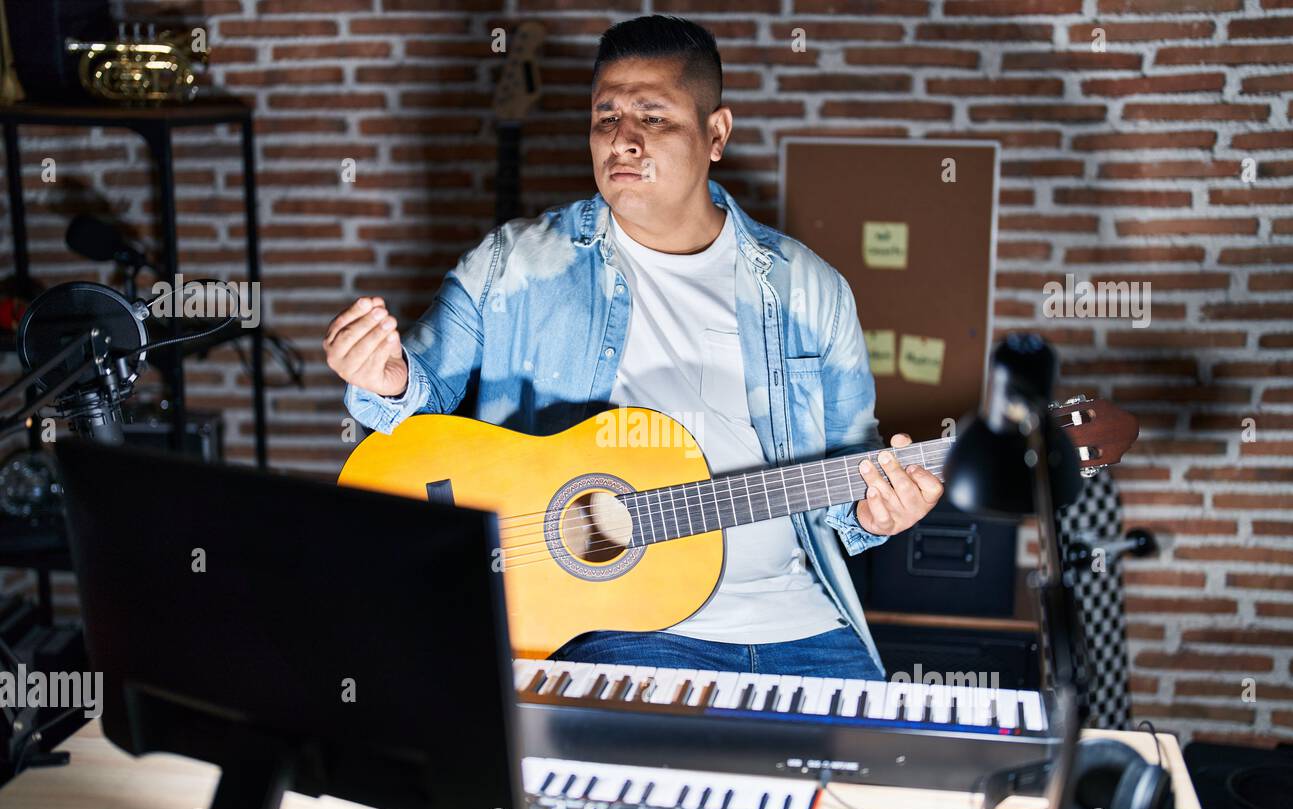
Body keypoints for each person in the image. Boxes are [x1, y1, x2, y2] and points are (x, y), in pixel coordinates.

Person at [325, 15, 942, 679]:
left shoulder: (809, 289)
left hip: (801, 624)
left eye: (652, 117)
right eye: (606, 116)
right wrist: (386, 380)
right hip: (612, 627)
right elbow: (412, 415)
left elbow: (848, 494)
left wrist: (880, 513)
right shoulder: (515, 265)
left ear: (716, 134)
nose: (622, 139)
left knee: (886, 770)